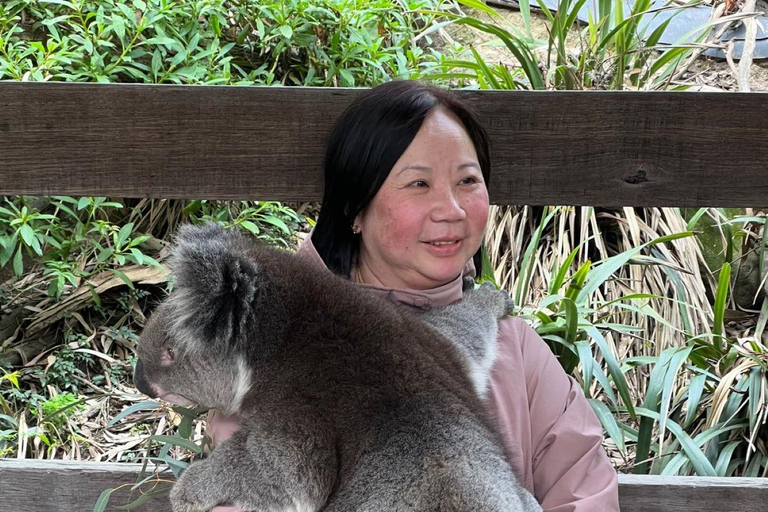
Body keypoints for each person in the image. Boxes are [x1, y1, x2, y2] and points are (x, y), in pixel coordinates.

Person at [207, 80, 620, 512]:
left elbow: (585, 490)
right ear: (354, 209)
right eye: (419, 184)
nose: (452, 210)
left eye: (467, 180)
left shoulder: (513, 346)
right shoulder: (276, 347)